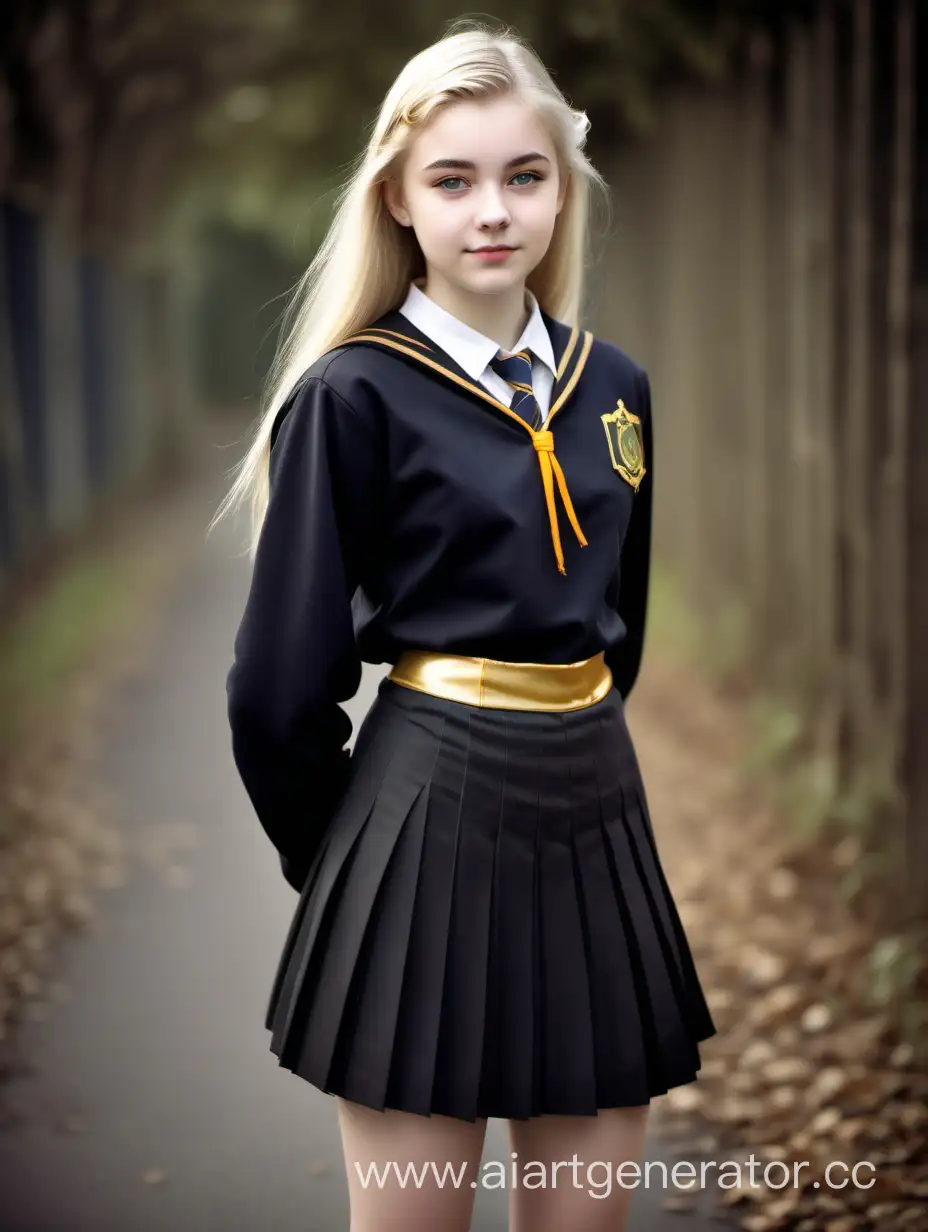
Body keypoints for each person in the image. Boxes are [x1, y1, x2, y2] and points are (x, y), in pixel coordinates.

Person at [213, 19, 716, 1232]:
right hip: (423, 812)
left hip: (596, 811)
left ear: (561, 189)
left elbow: (619, 626)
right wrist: (348, 860)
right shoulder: (351, 396)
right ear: (396, 195)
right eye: (453, 179)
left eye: (523, 175)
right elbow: (275, 692)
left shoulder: (615, 387)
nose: (493, 210)